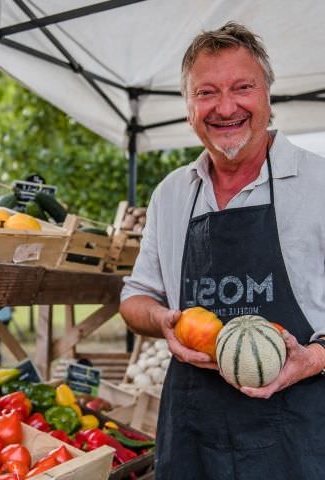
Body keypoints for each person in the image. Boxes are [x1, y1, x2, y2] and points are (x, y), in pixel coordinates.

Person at [120, 22, 325, 480]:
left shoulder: (320, 185)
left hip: (296, 437)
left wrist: (312, 358)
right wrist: (163, 321)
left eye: (243, 87)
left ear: (268, 95)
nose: (226, 107)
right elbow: (134, 300)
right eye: (206, 92)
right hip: (191, 433)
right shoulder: (171, 194)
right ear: (189, 107)